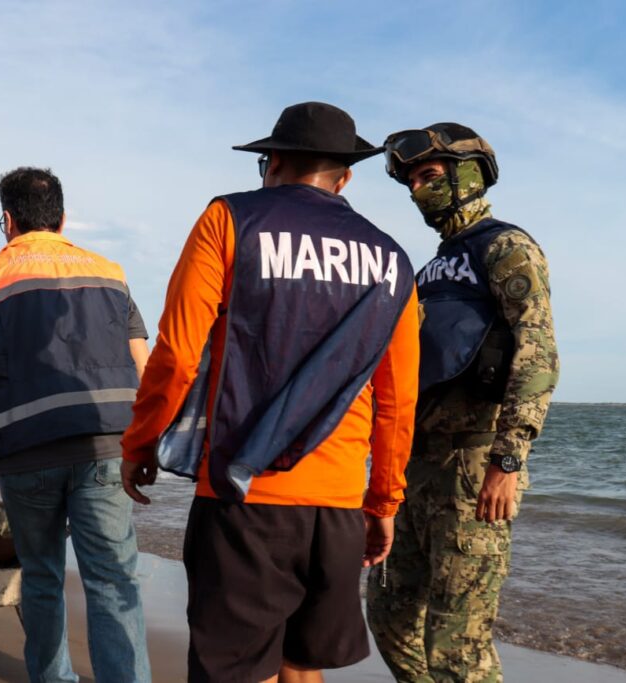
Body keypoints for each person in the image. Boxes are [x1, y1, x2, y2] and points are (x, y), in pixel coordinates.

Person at [120, 102, 420, 683]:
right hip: (335, 504)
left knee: (234, 670)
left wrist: (141, 443)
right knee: (304, 667)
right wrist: (384, 501)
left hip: (244, 494)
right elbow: (397, 399)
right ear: (346, 175)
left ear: (273, 160)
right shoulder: (392, 259)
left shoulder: (228, 220)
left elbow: (178, 351)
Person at [365, 123, 560, 682]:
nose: (417, 190)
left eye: (428, 176)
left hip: (475, 466)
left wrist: (508, 460)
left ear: (466, 175)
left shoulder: (507, 247)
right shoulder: (428, 271)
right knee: (390, 616)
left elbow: (538, 351)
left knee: (458, 644)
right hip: (414, 467)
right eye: (411, 181)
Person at [0, 167, 152, 683]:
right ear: (63, 218)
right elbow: (147, 371)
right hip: (107, 449)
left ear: (8, 221)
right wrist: (145, 447)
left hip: (25, 452)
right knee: (114, 581)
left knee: (41, 577)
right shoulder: (110, 272)